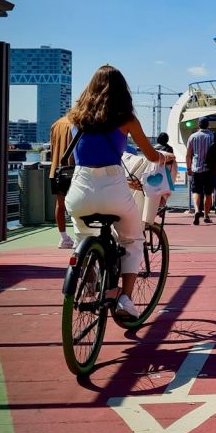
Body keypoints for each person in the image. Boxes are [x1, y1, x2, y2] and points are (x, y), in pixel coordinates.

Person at [64, 65, 174, 320]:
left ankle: (90, 277)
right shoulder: (126, 119)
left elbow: (74, 160)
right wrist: (164, 156)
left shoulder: (75, 119)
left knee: (83, 234)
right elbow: (150, 155)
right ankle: (125, 298)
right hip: (113, 187)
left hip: (79, 188)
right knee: (132, 240)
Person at [49, 114, 75, 249]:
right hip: (73, 168)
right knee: (79, 202)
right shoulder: (77, 123)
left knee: (60, 204)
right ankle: (80, 235)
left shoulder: (56, 124)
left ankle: (63, 237)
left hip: (56, 168)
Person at [186, 116, 216, 225]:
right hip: (209, 169)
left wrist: (189, 167)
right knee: (208, 193)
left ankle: (196, 210)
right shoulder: (213, 136)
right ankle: (206, 215)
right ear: (208, 124)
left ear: (199, 125)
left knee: (196, 191)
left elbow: (188, 154)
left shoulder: (192, 137)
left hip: (196, 168)